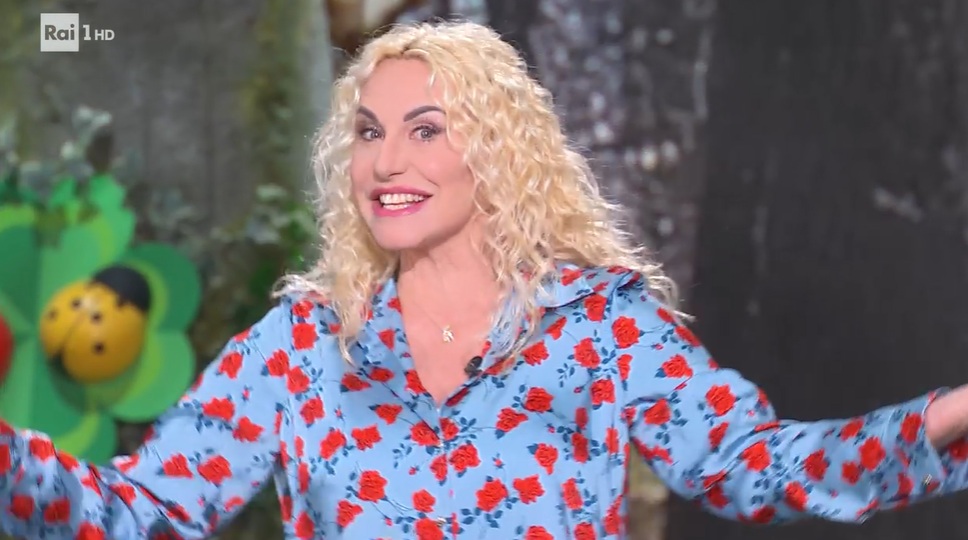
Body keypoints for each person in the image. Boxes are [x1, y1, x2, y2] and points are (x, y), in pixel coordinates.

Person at [3, 20, 968, 540]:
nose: (387, 162)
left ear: (500, 154)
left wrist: (947, 420)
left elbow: (760, 467)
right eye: (369, 133)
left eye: (425, 130)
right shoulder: (301, 346)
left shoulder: (602, 328)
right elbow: (137, 514)